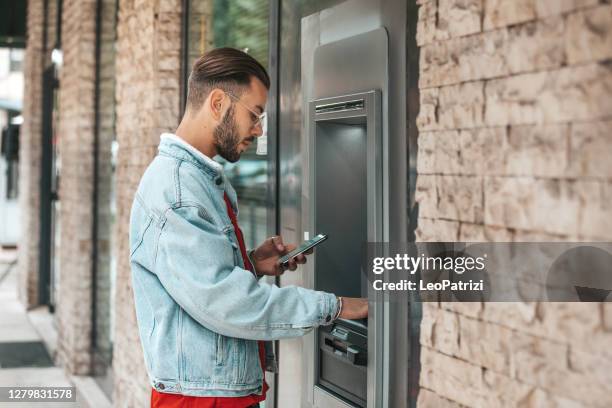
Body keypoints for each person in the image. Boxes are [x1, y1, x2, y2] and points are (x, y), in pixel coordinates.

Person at [129, 47, 368, 408]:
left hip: (217, 393)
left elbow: (202, 284)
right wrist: (337, 307)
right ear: (218, 102)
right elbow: (226, 303)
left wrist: (252, 264)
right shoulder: (177, 191)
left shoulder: (201, 180)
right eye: (254, 114)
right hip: (200, 400)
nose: (258, 129)